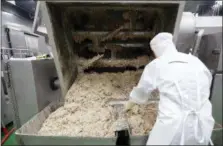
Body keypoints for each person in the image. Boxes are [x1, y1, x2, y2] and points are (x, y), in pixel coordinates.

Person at [124, 32, 215, 145]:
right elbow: (206, 85)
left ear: (156, 51)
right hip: (202, 125)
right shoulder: (196, 62)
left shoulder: (157, 64)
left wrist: (130, 103)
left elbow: (142, 91)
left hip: (173, 127)